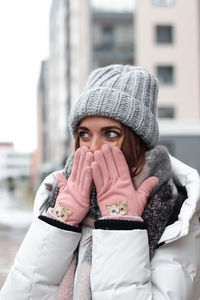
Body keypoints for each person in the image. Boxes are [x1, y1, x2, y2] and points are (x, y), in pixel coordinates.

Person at [1, 65, 200, 300]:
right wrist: (61, 222)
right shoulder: (57, 198)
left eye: (111, 134)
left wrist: (121, 223)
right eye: (84, 134)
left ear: (140, 141)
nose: (93, 148)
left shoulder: (175, 214)